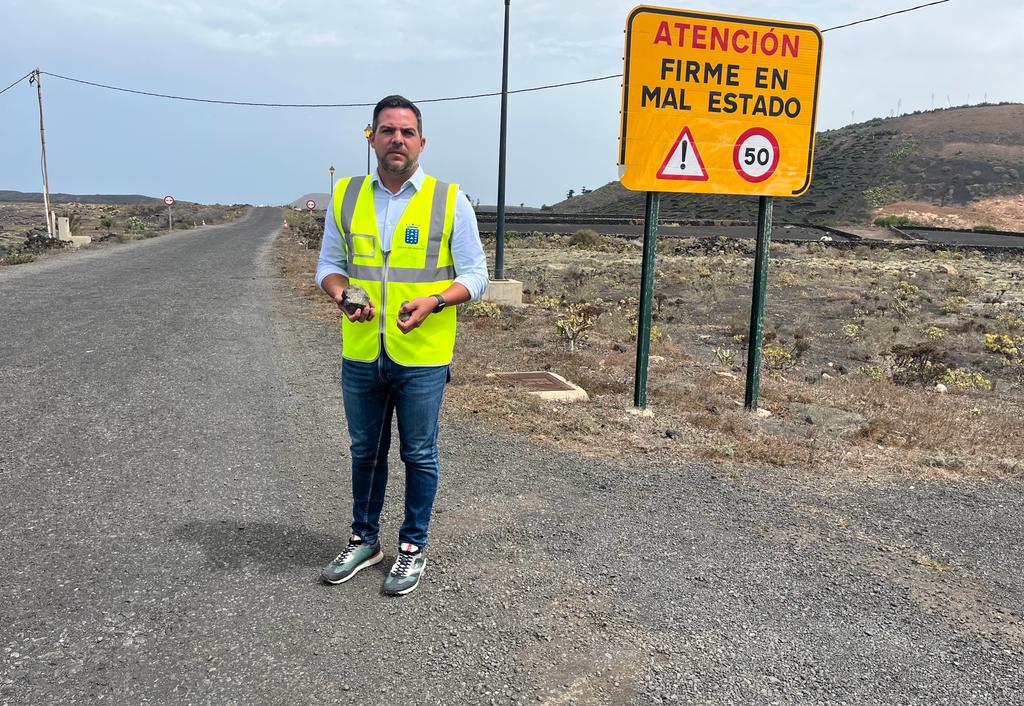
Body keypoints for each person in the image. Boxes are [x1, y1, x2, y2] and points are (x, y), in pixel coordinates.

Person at [315, 95, 489, 596]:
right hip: (363, 351)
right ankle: (363, 540)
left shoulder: (449, 199)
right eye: (387, 130)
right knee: (365, 450)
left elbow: (476, 276)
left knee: (419, 453)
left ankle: (412, 547)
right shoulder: (347, 197)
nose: (397, 139)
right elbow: (328, 266)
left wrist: (436, 300)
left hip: (423, 358)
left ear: (421, 142)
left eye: (406, 132)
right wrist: (342, 295)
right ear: (371, 138)